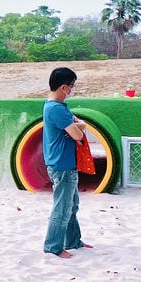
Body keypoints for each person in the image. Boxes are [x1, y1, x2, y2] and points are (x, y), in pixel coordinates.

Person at [42, 66, 91, 257]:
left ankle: (72, 240)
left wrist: (77, 125)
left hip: (63, 163)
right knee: (62, 209)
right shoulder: (57, 109)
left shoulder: (54, 106)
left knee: (72, 206)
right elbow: (78, 134)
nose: (73, 89)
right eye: (72, 86)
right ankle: (53, 247)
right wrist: (82, 125)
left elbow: (73, 130)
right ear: (63, 87)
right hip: (62, 164)